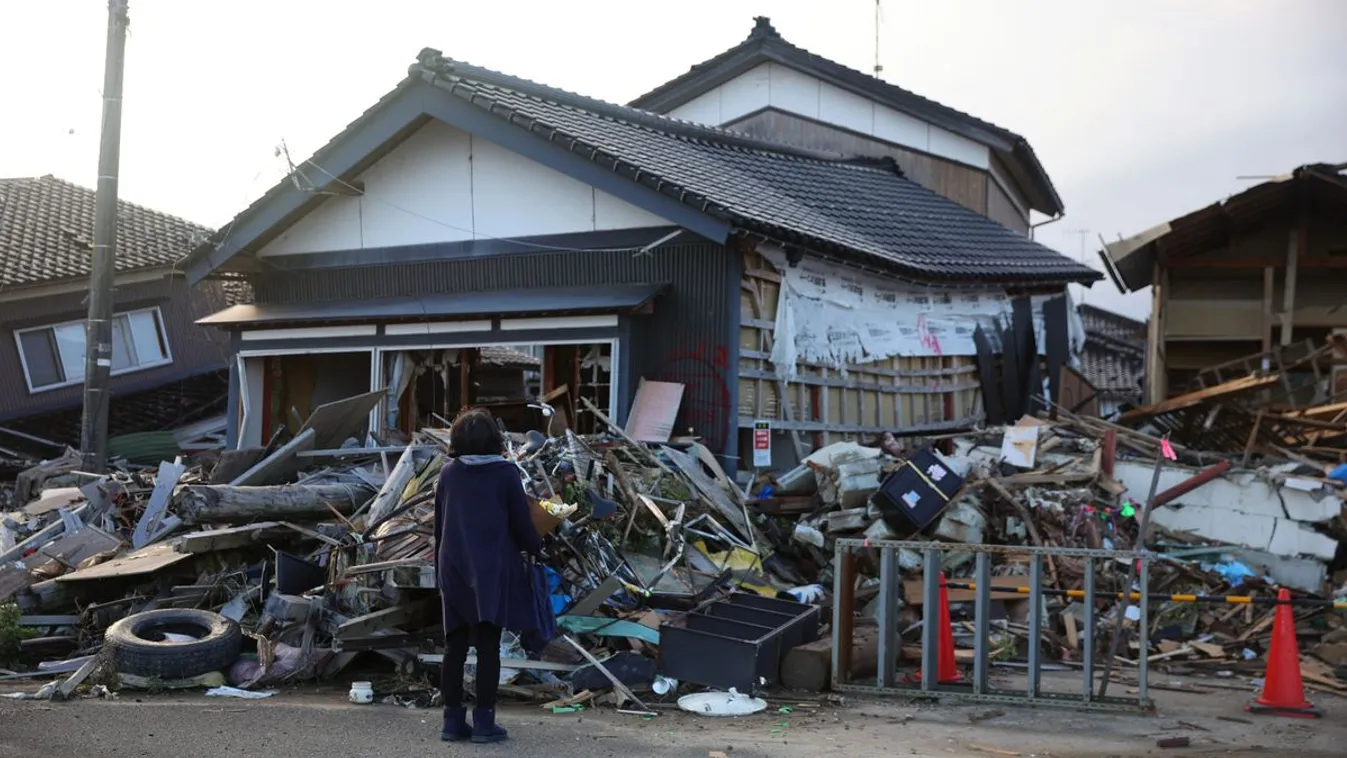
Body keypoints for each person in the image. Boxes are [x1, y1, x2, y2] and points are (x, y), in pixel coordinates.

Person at [434, 407, 543, 744]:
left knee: (454, 646)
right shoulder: (505, 473)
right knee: (487, 646)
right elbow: (521, 524)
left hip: (452, 565)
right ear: (494, 440)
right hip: (490, 571)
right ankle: (484, 723)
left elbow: (439, 523)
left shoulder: (448, 473)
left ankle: (452, 722)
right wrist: (537, 548)